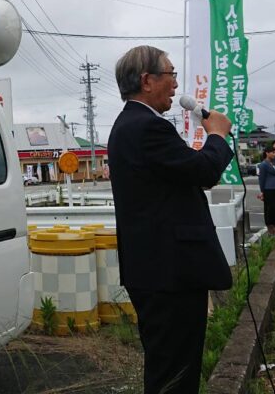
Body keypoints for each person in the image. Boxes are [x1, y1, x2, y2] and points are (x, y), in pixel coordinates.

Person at [107, 45, 234, 394]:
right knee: (175, 372)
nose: (176, 84)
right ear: (147, 81)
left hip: (156, 268)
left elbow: (185, 174)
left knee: (168, 365)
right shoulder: (148, 127)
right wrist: (217, 135)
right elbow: (204, 170)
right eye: (170, 74)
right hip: (169, 272)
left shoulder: (130, 125)